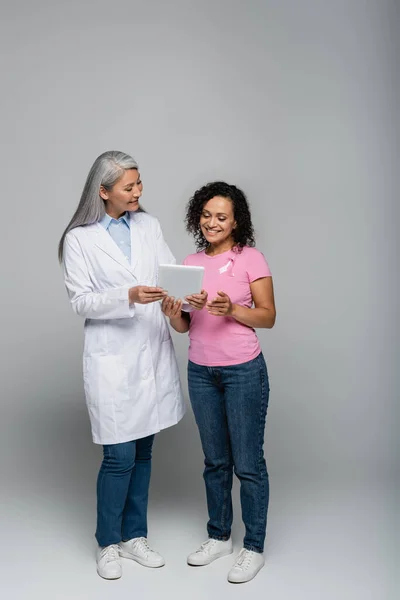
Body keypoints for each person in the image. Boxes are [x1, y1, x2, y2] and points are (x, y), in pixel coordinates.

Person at [59, 151, 205, 580]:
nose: (138, 192)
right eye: (129, 187)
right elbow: (80, 301)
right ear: (103, 192)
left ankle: (134, 535)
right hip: (113, 357)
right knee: (119, 456)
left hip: (151, 348)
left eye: (140, 183)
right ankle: (108, 541)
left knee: (143, 451)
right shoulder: (79, 239)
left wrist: (182, 296)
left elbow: (168, 276)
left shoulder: (149, 225)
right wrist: (128, 296)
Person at [162, 181, 276, 584]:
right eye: (206, 215)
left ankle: (254, 546)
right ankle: (219, 536)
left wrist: (233, 309)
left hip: (243, 369)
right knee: (215, 462)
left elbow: (268, 316)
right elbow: (183, 326)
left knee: (247, 463)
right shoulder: (190, 262)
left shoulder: (250, 258)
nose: (212, 222)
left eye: (221, 217)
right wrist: (172, 309)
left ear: (235, 222)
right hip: (200, 370)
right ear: (198, 216)